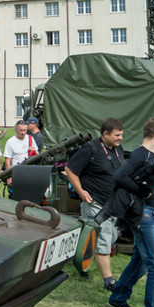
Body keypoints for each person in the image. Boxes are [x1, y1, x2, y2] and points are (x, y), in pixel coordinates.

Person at [107, 117, 154, 307]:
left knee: (140, 262)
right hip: (144, 217)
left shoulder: (149, 157)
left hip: (152, 216)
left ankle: (117, 298)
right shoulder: (141, 154)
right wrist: (140, 191)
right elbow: (120, 177)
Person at [64, 118, 125, 290]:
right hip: (95, 203)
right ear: (105, 134)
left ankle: (79, 260)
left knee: (109, 237)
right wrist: (81, 191)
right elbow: (70, 169)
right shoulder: (90, 149)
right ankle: (109, 281)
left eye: (121, 135)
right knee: (103, 239)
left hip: (113, 204)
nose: (120, 138)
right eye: (117, 135)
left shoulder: (117, 148)